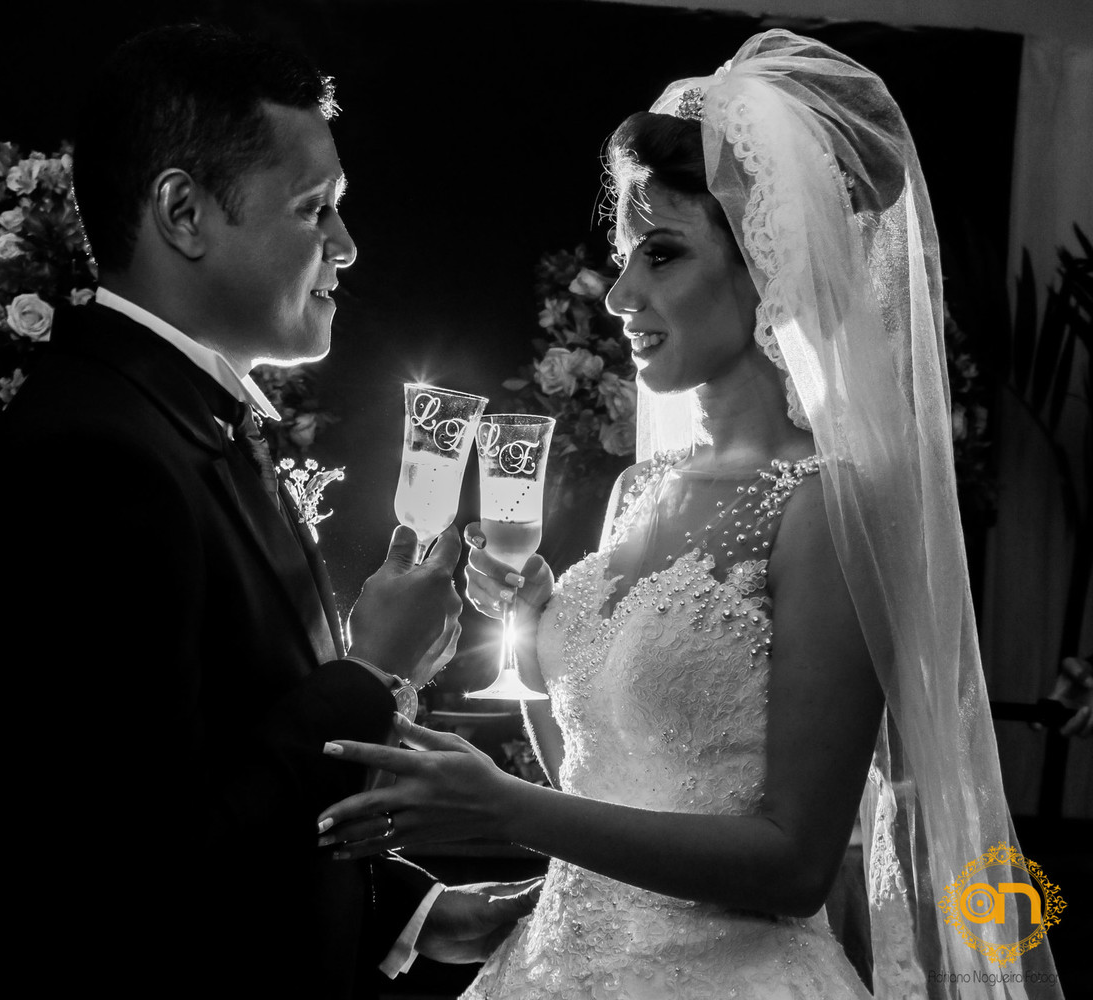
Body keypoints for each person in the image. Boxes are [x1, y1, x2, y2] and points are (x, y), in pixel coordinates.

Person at [313, 30, 1066, 1000]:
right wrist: (533, 630)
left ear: (770, 268)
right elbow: (604, 777)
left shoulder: (826, 508)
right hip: (554, 964)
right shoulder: (640, 488)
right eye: (623, 257)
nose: (621, 295)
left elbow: (794, 865)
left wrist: (506, 808)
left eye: (662, 254)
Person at [0, 24, 535, 997]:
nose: (346, 246)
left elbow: (230, 771)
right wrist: (371, 672)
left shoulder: (183, 419)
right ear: (184, 213)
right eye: (314, 209)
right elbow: (133, 870)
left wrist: (409, 911)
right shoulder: (95, 459)